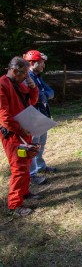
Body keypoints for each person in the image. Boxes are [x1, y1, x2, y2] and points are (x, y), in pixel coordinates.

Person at [0, 57, 39, 217]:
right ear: (15, 71)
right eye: (25, 74)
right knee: (18, 167)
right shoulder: (2, 85)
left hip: (25, 129)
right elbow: (4, 116)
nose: (26, 77)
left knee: (27, 161)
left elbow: (32, 101)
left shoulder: (19, 84)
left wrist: (33, 87)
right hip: (13, 134)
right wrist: (21, 130)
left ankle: (24, 192)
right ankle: (15, 204)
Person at [23, 50, 56, 186]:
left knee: (41, 142)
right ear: (32, 63)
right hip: (32, 115)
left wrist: (44, 95)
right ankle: (31, 174)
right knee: (33, 145)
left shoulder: (37, 76)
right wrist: (43, 95)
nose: (43, 65)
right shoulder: (27, 77)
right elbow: (36, 97)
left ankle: (40, 166)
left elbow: (51, 92)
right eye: (41, 62)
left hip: (41, 113)